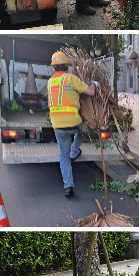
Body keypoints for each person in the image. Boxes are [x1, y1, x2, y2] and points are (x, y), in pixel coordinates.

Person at [47, 50, 96, 197]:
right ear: (67, 66)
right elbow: (91, 92)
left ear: (54, 67)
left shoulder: (50, 82)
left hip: (57, 124)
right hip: (74, 122)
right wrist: (93, 83)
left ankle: (68, 186)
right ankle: (75, 151)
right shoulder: (70, 78)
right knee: (84, 129)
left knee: (63, 156)